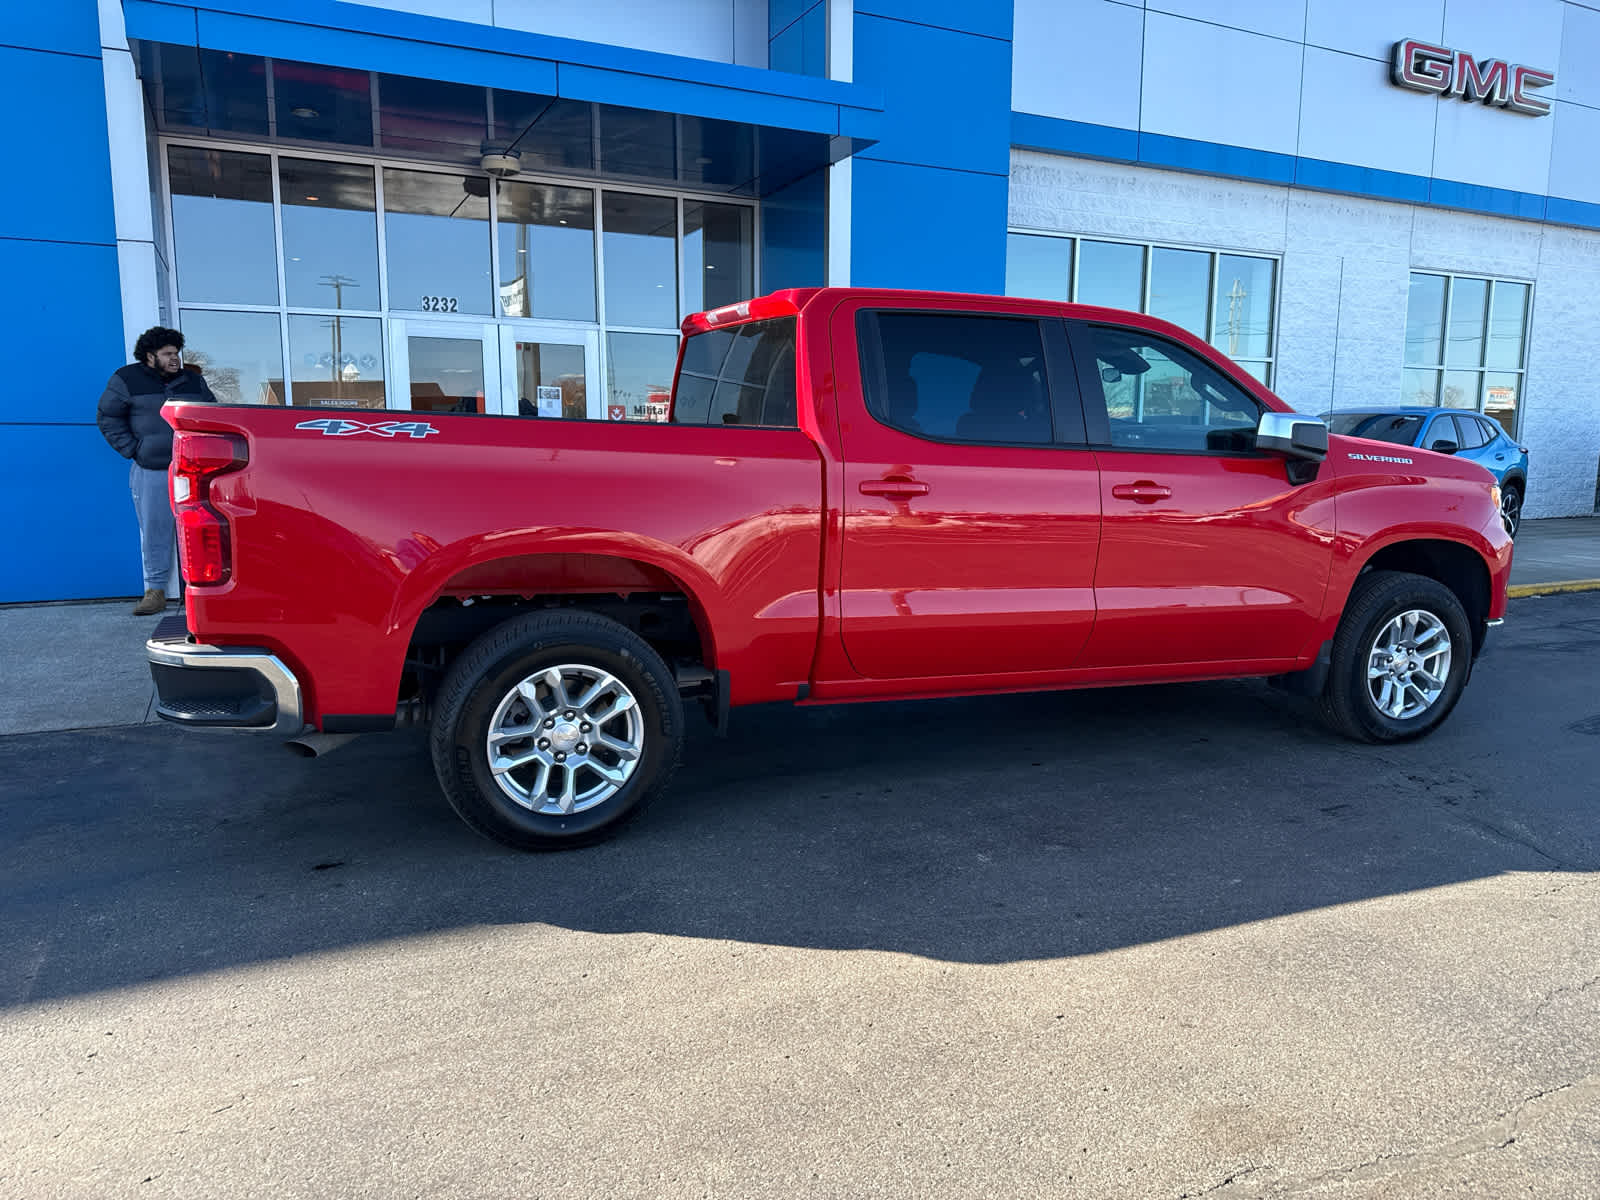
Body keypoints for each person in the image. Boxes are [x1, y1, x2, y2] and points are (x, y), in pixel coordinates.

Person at [96, 327, 218, 615]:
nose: (175, 358)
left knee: (200, 529)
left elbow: (212, 413)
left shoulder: (193, 380)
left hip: (193, 470)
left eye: (177, 352)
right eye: (168, 354)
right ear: (150, 356)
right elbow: (107, 417)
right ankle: (156, 591)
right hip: (151, 469)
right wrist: (134, 449)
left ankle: (198, 591)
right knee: (155, 530)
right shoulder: (126, 379)